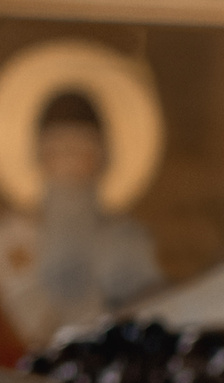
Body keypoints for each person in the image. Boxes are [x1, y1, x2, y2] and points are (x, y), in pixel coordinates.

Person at [0, 88, 161, 349]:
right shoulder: (10, 237)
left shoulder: (127, 238)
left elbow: (146, 312)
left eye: (80, 150)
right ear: (41, 157)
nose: (69, 163)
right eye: (59, 151)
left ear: (101, 158)